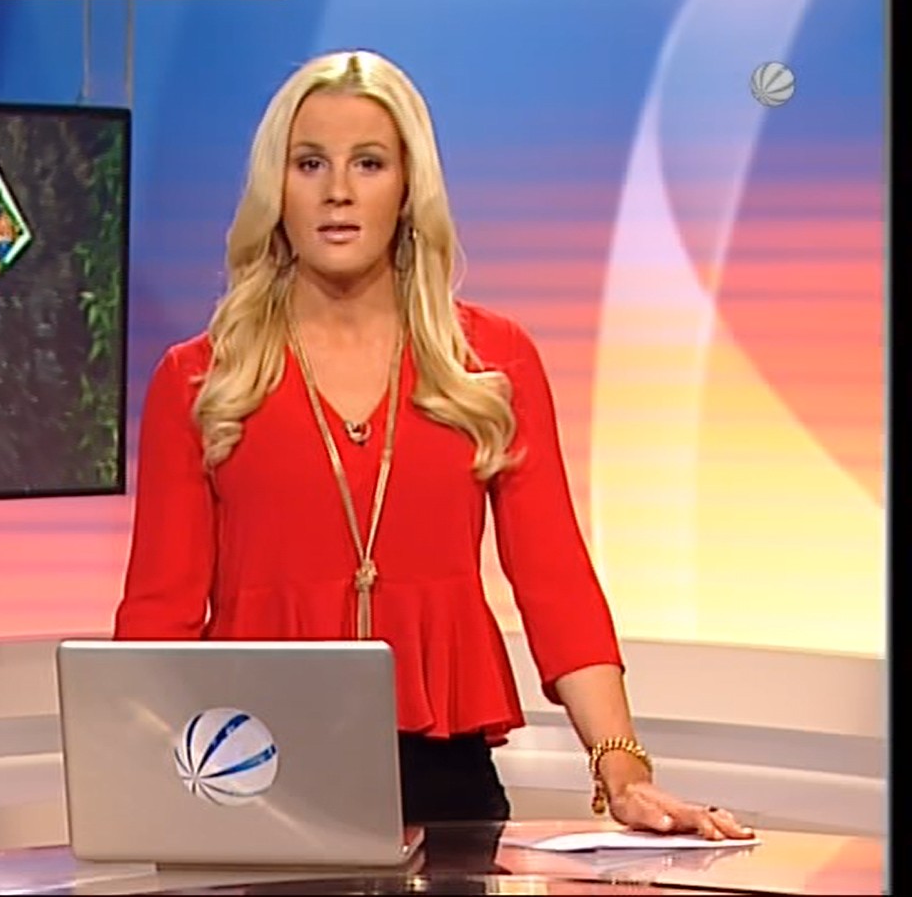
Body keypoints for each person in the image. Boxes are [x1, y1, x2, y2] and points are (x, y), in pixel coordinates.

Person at [114, 50, 755, 840]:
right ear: (275, 189)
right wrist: (139, 792)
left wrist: (622, 768)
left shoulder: (489, 365)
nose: (338, 190)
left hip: (444, 772)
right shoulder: (202, 379)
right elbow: (160, 615)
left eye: (368, 163)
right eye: (309, 163)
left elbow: (555, 581)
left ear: (408, 187)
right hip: (252, 773)